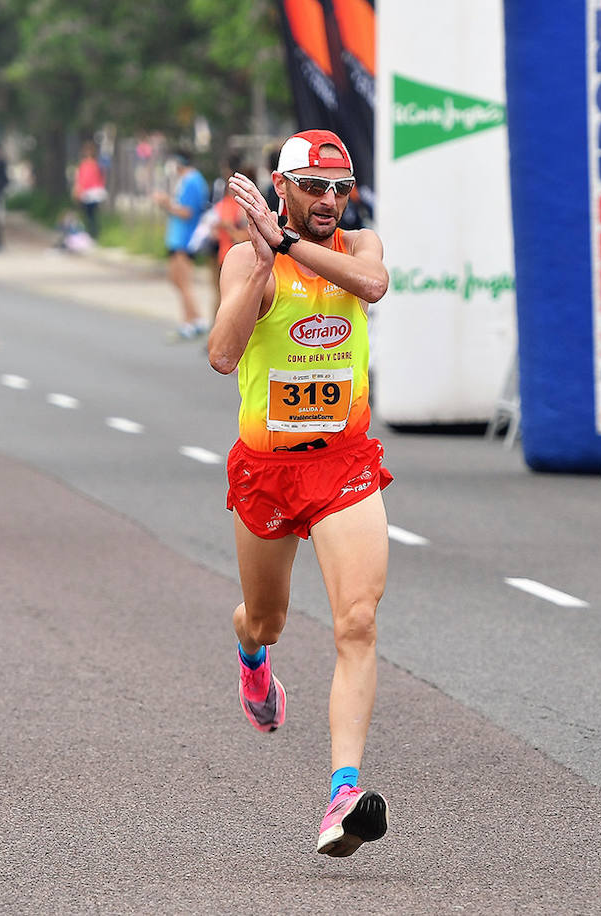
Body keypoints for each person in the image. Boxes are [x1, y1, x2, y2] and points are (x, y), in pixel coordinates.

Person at [208, 129, 393, 858]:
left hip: (344, 464)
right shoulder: (248, 260)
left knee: (357, 623)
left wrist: (284, 242)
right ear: (282, 187)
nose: (330, 200)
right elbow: (223, 355)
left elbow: (372, 288)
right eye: (314, 186)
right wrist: (260, 261)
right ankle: (252, 655)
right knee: (268, 617)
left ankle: (343, 791)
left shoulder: (360, 248)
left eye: (340, 187)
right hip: (268, 472)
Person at [154, 149, 211, 341]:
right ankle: (193, 318)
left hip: (185, 239)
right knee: (175, 279)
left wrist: (166, 203)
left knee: (184, 281)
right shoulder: (185, 180)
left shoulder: (193, 181)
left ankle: (191, 321)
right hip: (176, 237)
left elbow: (188, 212)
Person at [210, 153, 252, 320]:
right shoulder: (226, 202)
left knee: (232, 301)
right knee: (222, 299)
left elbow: (244, 235)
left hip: (238, 259)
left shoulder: (244, 205)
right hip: (225, 256)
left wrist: (230, 229)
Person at [73, 142, 107, 240]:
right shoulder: (83, 165)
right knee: (87, 214)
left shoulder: (96, 165)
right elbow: (80, 179)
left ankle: (95, 233)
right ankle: (89, 233)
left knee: (93, 214)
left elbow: (100, 178)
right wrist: (78, 190)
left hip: (94, 192)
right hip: (85, 193)